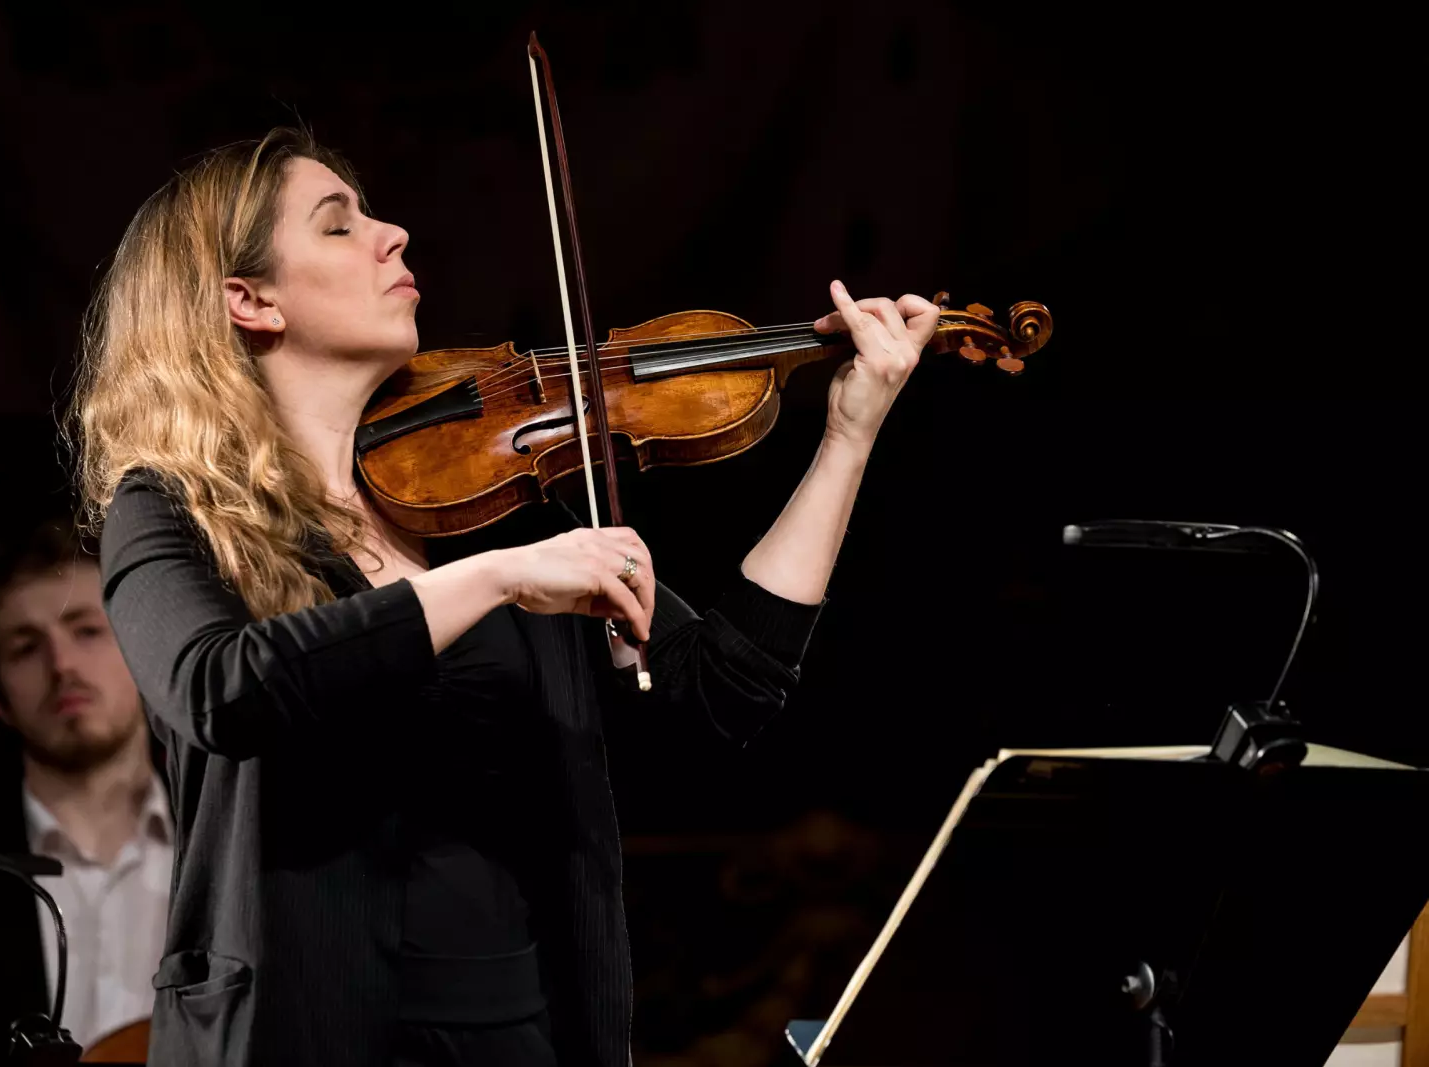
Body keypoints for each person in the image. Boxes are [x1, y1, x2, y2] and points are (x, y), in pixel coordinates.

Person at [71, 126, 937, 1067]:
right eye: (338, 225)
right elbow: (222, 691)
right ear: (249, 300)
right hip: (301, 1025)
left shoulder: (492, 503)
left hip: (517, 1029)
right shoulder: (170, 509)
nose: (392, 233)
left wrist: (848, 434)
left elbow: (727, 684)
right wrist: (494, 582)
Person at [0, 518, 172, 1049]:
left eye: (86, 630)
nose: (62, 665)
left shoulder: (230, 843)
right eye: (25, 648)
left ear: (142, 649)